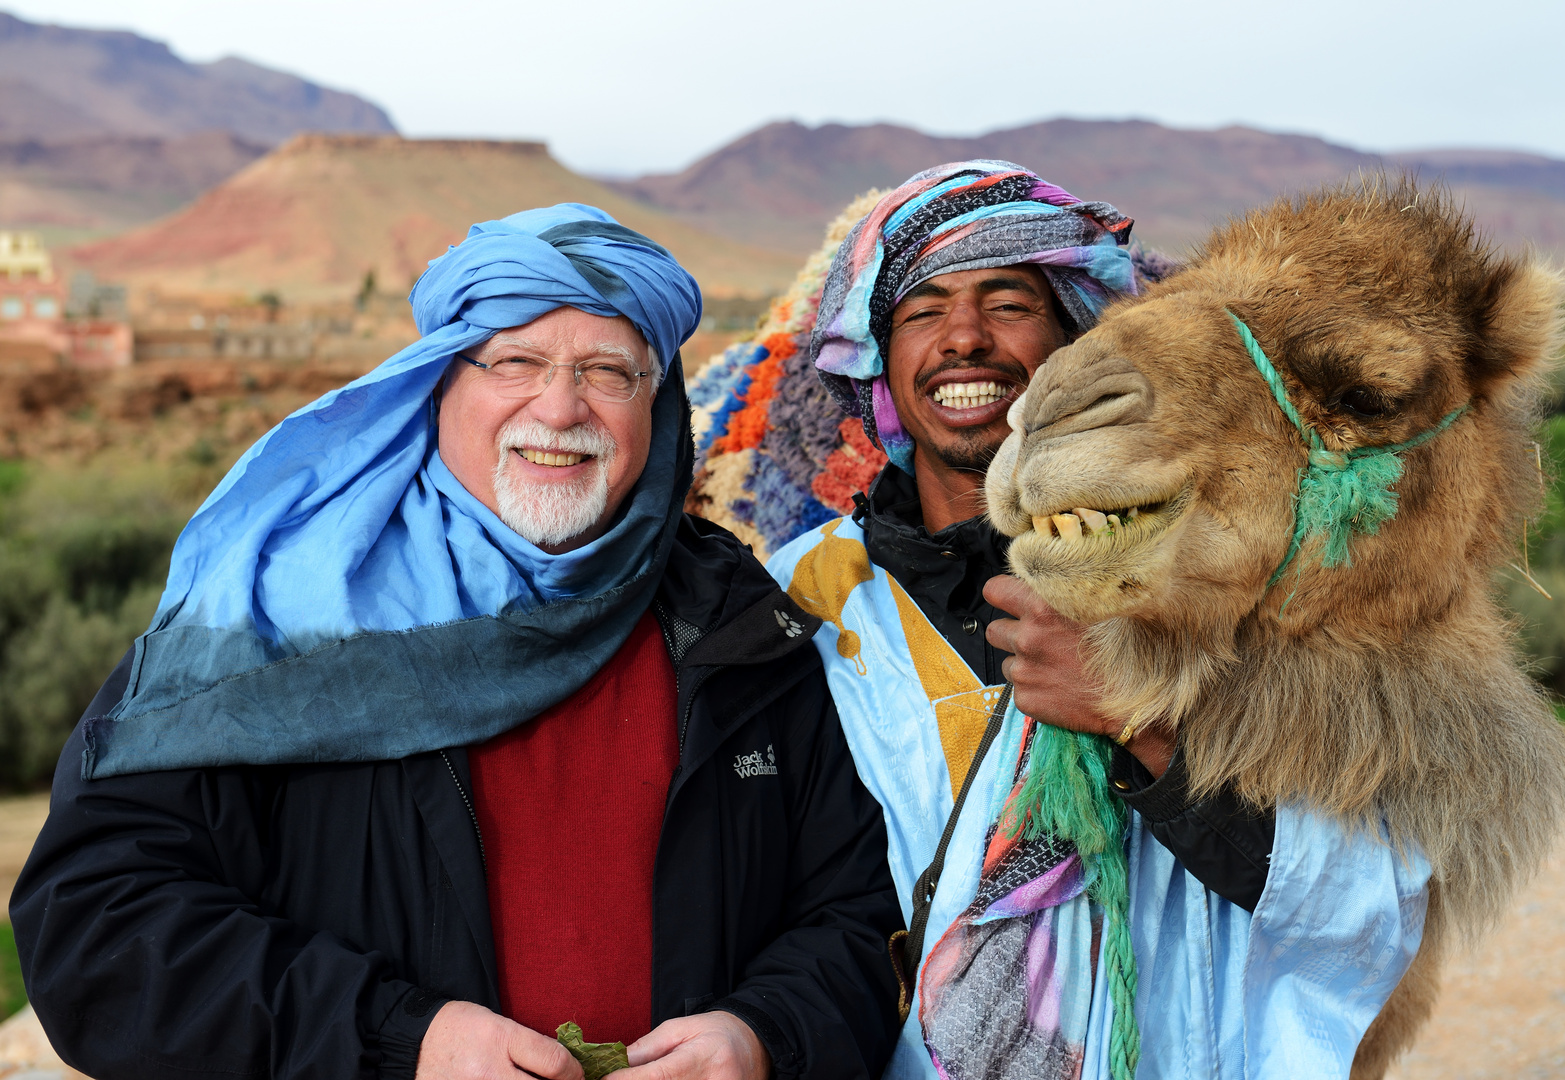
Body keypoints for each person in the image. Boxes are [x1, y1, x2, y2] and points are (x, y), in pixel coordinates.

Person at [11, 206, 904, 1080]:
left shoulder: (740, 629)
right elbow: (98, 927)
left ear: (658, 407)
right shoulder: (281, 619)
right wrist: (401, 1043)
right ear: (441, 382)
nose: (559, 410)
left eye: (608, 372)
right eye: (515, 361)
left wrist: (762, 1039)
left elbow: (851, 918)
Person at [764, 162, 1428, 1079]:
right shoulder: (799, 602)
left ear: (1075, 343)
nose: (965, 339)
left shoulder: (1216, 582)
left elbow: (1350, 894)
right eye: (923, 312)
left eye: (1007, 304)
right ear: (883, 362)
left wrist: (1139, 723)